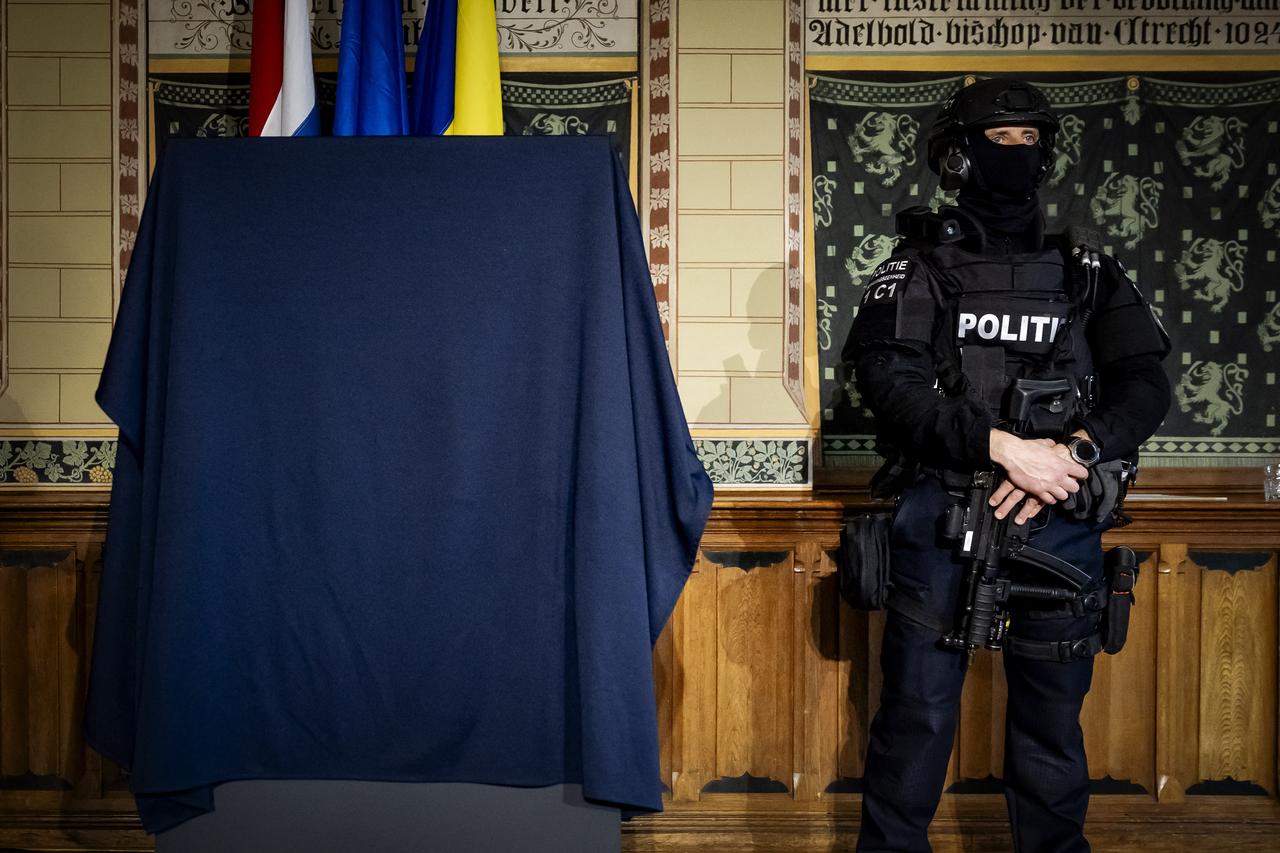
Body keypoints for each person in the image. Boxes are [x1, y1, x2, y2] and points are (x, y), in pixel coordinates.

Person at [841, 78, 1172, 853]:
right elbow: (889, 385)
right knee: (916, 720)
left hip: (1060, 514)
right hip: (945, 515)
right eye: (1000, 139)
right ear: (959, 153)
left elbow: (1146, 383)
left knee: (1052, 726)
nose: (1015, 153)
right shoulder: (918, 264)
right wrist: (1003, 448)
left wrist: (1074, 451)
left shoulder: (1086, 268)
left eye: (1029, 140)